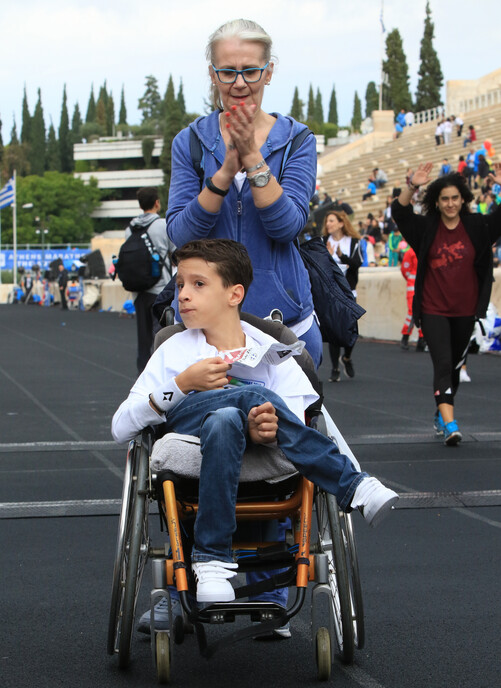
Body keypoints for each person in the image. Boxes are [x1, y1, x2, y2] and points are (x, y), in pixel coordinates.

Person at [111, 239, 398, 606]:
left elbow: (307, 420)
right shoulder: (173, 349)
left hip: (237, 438)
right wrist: (182, 384)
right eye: (180, 283)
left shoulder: (273, 351)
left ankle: (212, 560)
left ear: (235, 294)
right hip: (184, 427)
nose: (182, 295)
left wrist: (263, 429)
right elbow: (120, 427)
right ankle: (353, 485)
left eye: (198, 284)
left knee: (229, 418)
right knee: (247, 397)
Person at [165, 19, 322, 369]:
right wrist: (222, 175)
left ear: (268, 72)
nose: (239, 83)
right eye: (227, 72)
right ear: (212, 74)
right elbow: (181, 235)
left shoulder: (297, 139)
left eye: (251, 71)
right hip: (201, 329)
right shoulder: (189, 142)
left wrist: (252, 158)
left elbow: (287, 227)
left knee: (285, 422)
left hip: (284, 323)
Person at [391, 163, 501, 445]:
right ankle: (451, 423)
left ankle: (441, 413)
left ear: (463, 199)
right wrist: (413, 186)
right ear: (436, 202)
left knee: (453, 367)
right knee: (442, 364)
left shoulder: (478, 226)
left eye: (455, 198)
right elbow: (400, 213)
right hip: (432, 309)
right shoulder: (426, 228)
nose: (450, 204)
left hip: (466, 311)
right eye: (444, 199)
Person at [125, 186, 176, 374]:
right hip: (160, 289)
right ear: (157, 203)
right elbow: (176, 253)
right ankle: (159, 374)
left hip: (138, 290)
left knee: (143, 338)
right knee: (160, 334)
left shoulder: (130, 228)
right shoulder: (163, 225)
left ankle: (141, 375)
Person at [322, 212, 363, 381]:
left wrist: (341, 256)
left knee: (351, 328)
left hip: (349, 291)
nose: (328, 224)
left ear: (340, 223)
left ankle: (347, 357)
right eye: (327, 221)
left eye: (331, 220)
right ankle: (334, 368)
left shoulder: (353, 242)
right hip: (331, 292)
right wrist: (327, 256)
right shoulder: (323, 242)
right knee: (334, 330)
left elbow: (356, 264)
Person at [399, 247, 425, 351]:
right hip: (413, 286)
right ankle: (405, 336)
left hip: (423, 285)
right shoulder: (410, 252)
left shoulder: (425, 249)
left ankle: (422, 339)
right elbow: (405, 270)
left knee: (424, 312)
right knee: (412, 312)